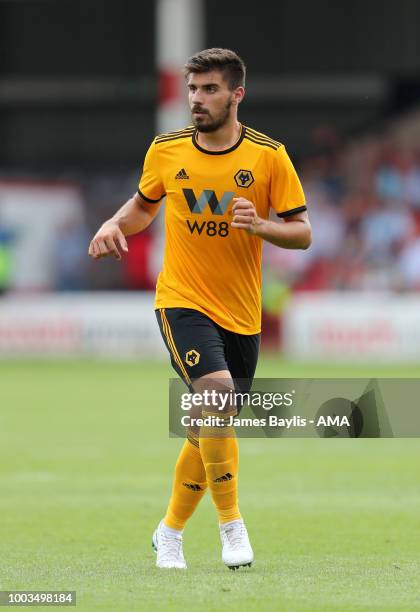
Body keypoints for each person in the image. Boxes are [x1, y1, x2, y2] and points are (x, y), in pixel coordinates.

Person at [88, 48, 311, 571]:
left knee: (209, 422)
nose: (197, 100)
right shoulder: (166, 149)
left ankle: (169, 531)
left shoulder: (268, 156)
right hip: (181, 300)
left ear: (237, 95)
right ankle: (232, 526)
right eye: (193, 89)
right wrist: (114, 223)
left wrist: (261, 226)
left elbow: (302, 232)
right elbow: (144, 205)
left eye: (209, 90)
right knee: (216, 394)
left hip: (241, 313)